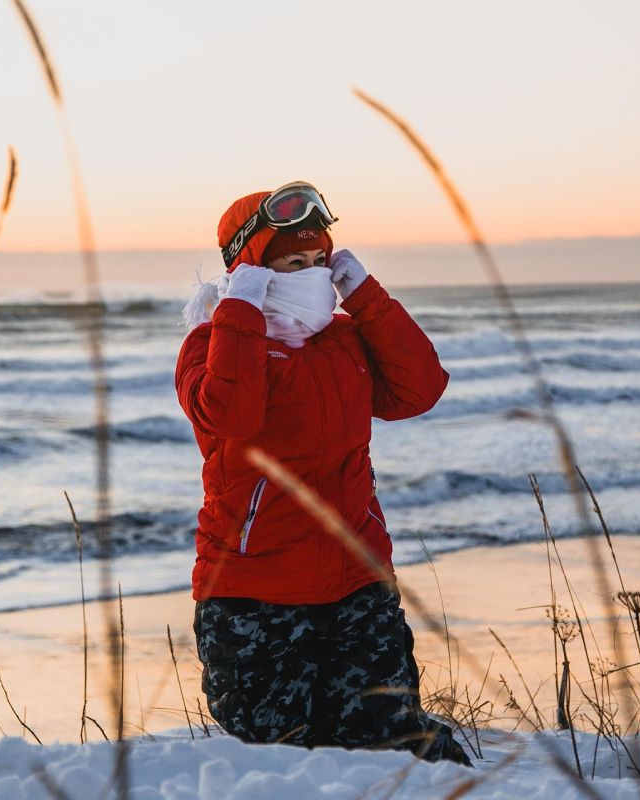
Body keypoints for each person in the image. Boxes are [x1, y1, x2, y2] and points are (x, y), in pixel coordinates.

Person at [175, 181, 470, 765]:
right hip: (252, 597)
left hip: (357, 584)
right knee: (279, 758)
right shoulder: (210, 344)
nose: (313, 275)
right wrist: (241, 308)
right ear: (253, 269)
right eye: (292, 264)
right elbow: (230, 414)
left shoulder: (343, 341)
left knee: (395, 749)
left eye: (320, 263)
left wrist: (365, 296)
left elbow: (421, 388)